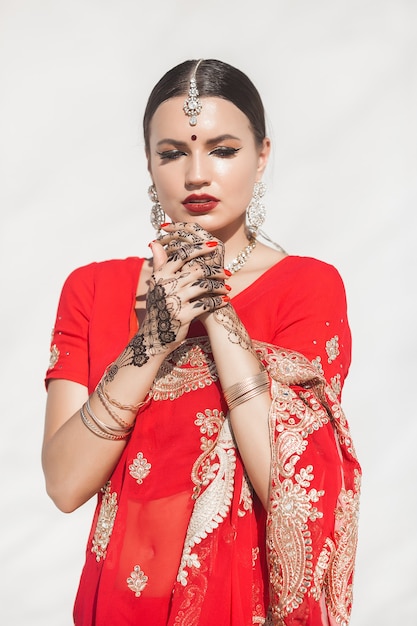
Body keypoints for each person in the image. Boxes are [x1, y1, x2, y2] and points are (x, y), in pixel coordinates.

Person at [42, 58, 361, 626]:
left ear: (262, 156)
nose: (196, 174)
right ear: (148, 162)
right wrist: (156, 339)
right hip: (119, 605)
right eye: (172, 152)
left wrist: (215, 306)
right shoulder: (92, 289)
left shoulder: (309, 287)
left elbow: (290, 487)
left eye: (223, 149)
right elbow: (65, 483)